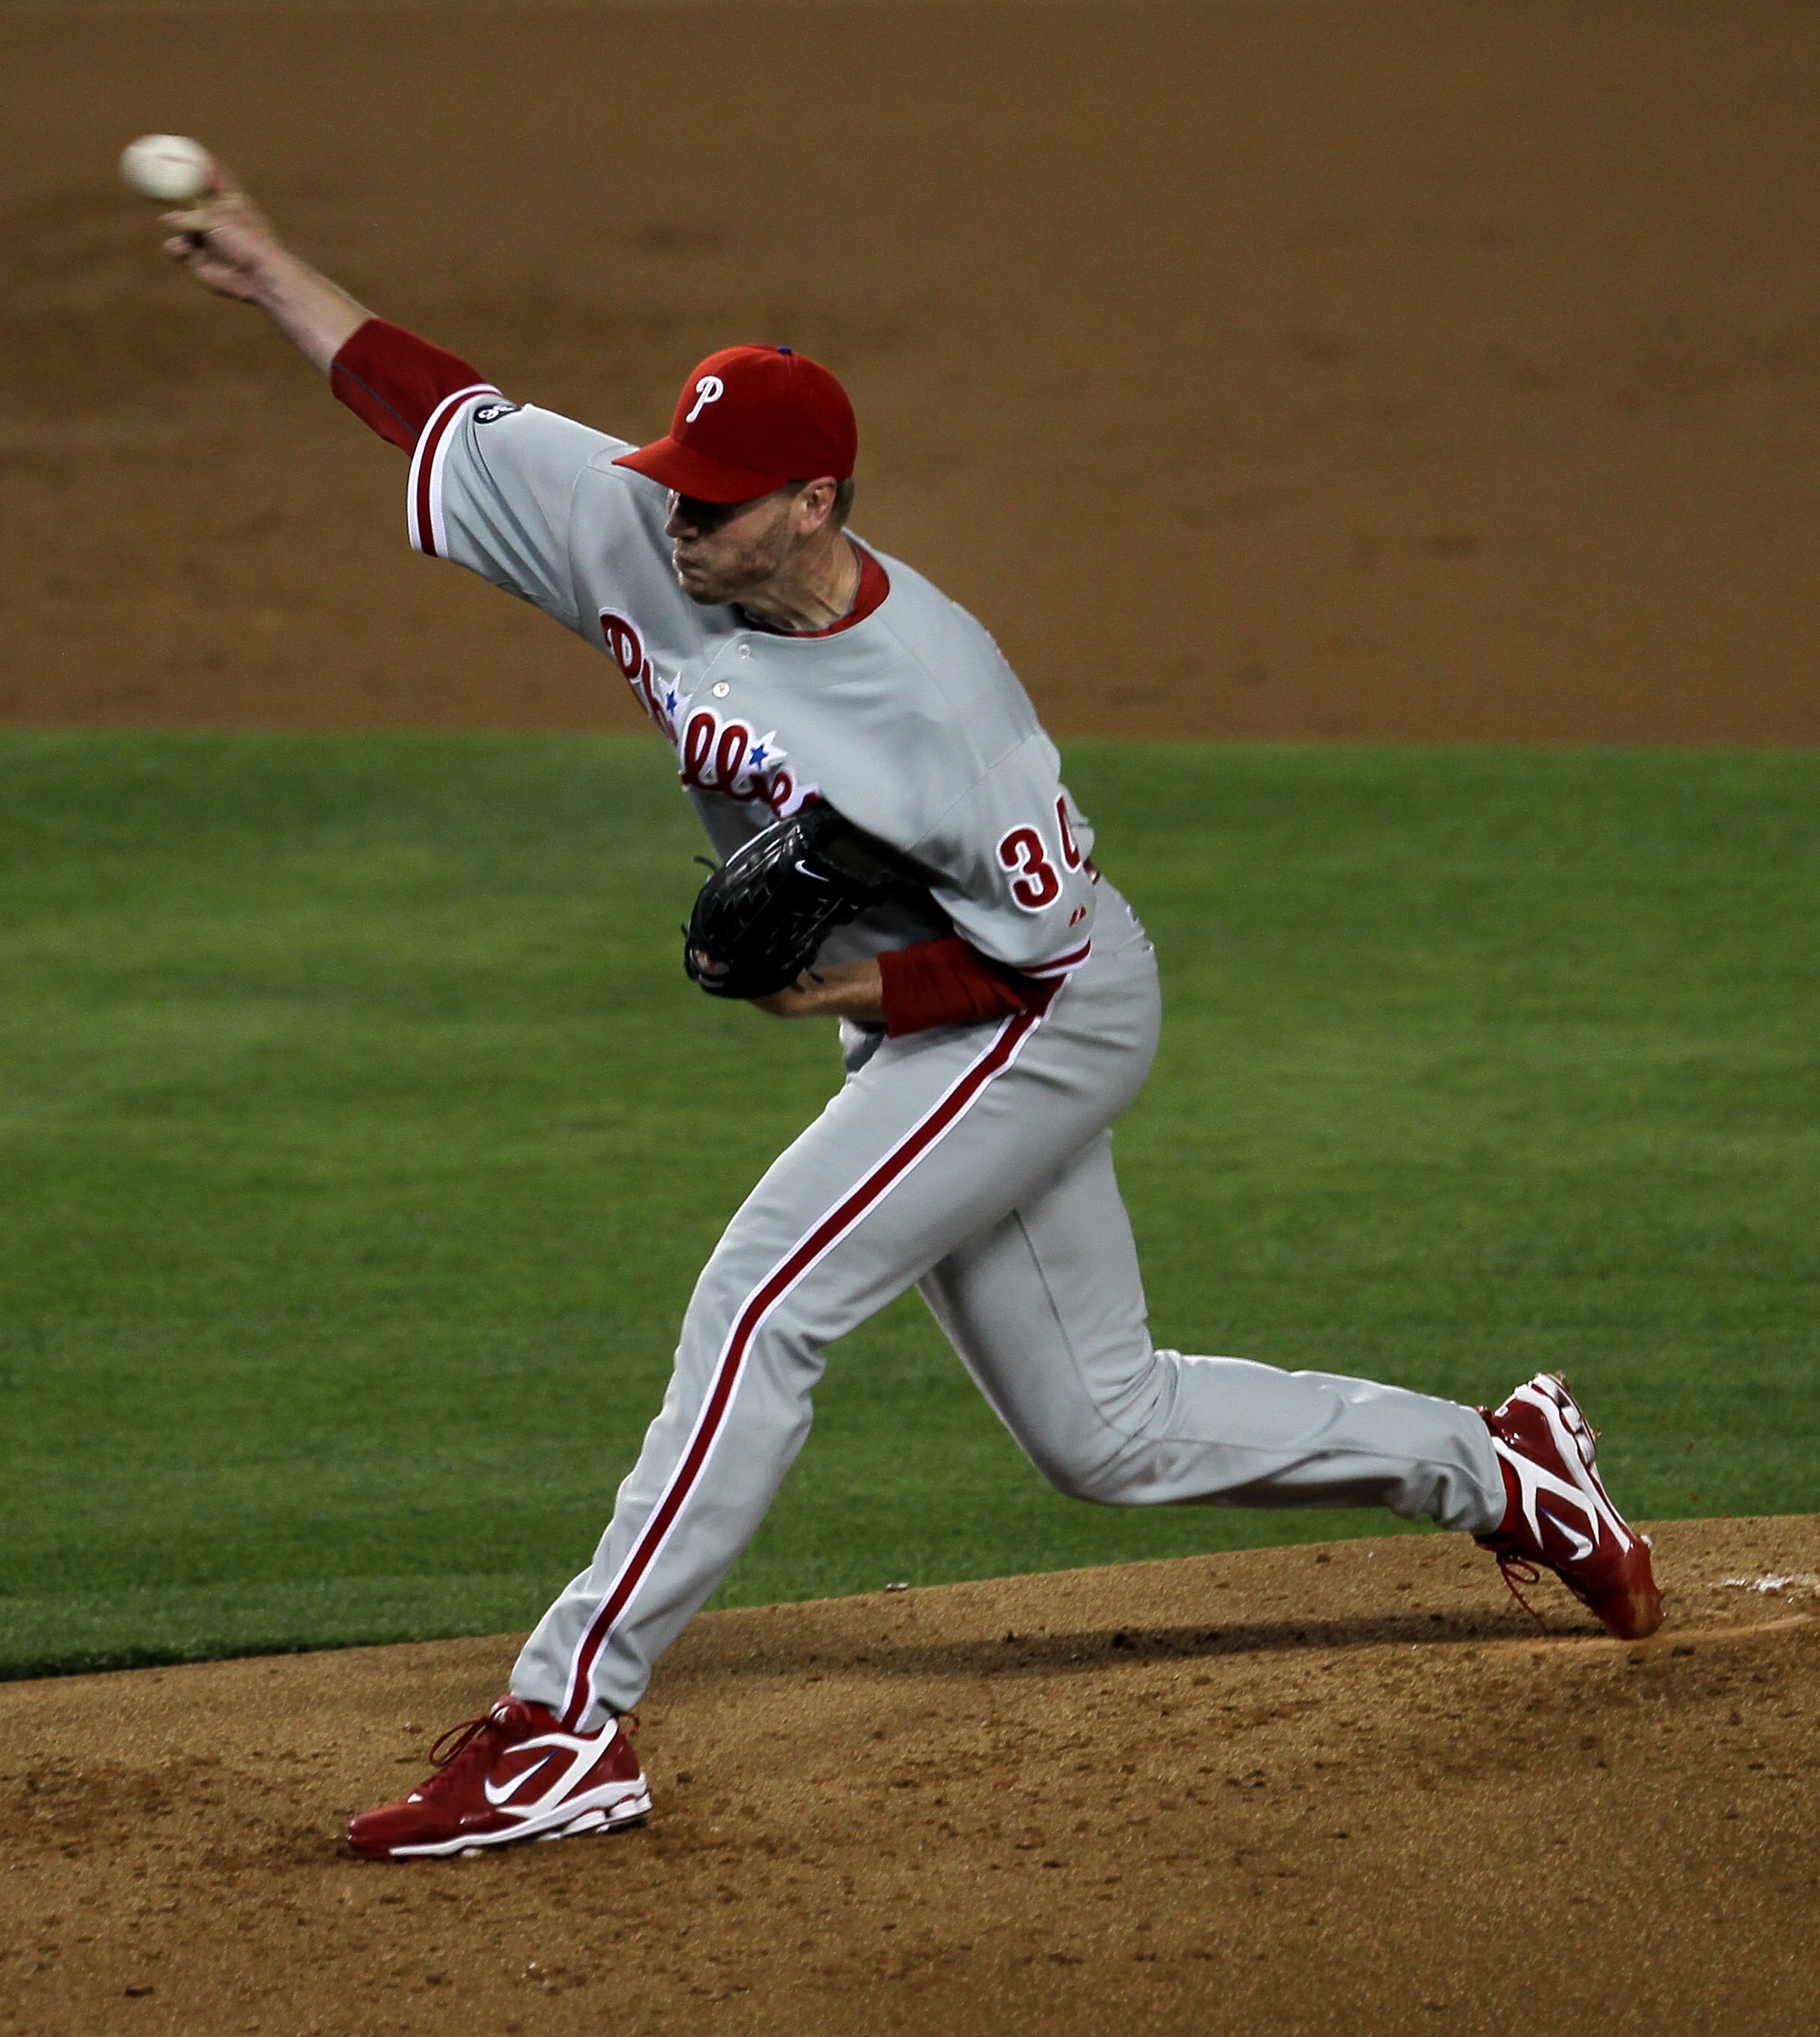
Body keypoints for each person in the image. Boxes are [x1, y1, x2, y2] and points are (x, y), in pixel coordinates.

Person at [157, 171, 1663, 1863]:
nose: (678, 527)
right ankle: (1501, 1462)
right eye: (675, 489)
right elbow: (444, 410)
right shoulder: (646, 526)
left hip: (1037, 1011)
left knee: (761, 1306)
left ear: (811, 505)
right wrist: (270, 268)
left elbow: (1033, 960)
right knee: (1107, 1434)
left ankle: (564, 1722)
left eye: (719, 508)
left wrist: (852, 984)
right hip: (934, 1022)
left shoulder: (946, 704)